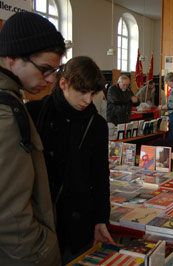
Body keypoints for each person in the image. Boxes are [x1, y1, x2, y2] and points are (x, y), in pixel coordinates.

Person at [26, 56, 115, 263]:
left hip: (80, 224)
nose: (88, 100)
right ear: (64, 83)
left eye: (93, 93)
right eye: (82, 92)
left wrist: (101, 219)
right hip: (39, 222)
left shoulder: (97, 124)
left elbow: (100, 176)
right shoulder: (35, 113)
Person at [0, 12, 66, 265]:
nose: (51, 80)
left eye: (55, 70)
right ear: (13, 58)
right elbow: (9, 215)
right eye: (45, 69)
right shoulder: (6, 113)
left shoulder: (13, 101)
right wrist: (44, 249)